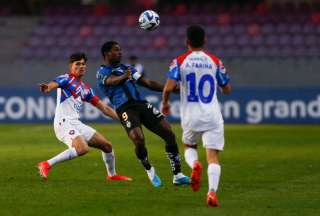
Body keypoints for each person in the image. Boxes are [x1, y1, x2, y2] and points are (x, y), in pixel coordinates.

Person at [96, 41, 190, 187]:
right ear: (106, 54)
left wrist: (169, 88)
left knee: (169, 133)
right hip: (124, 108)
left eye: (120, 50)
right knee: (138, 139)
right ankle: (148, 168)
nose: (120, 53)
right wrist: (123, 77)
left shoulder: (127, 68)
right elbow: (110, 81)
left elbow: (147, 82)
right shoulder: (102, 72)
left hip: (141, 104)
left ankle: (177, 174)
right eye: (116, 50)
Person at [161, 25, 232, 207]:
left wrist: (165, 103)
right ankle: (211, 193)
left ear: (187, 42)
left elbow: (168, 87)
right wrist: (219, 85)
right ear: (205, 41)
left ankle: (194, 166)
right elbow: (227, 89)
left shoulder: (179, 61)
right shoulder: (215, 61)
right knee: (213, 157)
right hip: (212, 115)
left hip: (190, 116)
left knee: (189, 145)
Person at [37, 52, 131, 182]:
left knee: (107, 146)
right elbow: (53, 84)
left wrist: (124, 119)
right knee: (82, 149)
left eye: (83, 64)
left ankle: (112, 175)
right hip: (63, 123)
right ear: (71, 66)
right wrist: (47, 87)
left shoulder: (86, 89)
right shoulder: (66, 79)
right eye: (78, 64)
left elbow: (104, 108)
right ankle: (46, 164)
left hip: (75, 123)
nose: (81, 66)